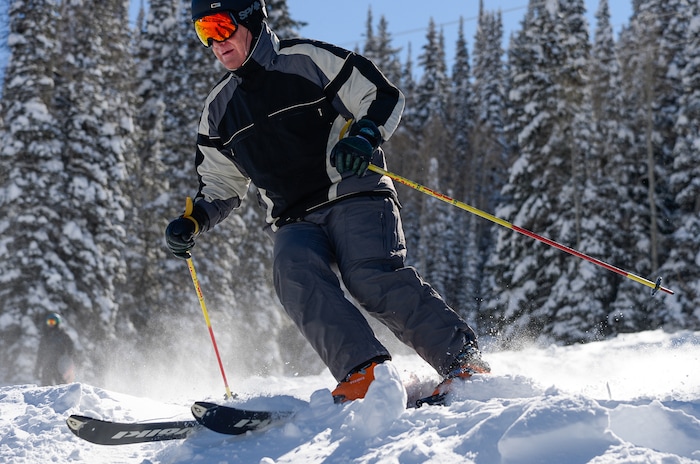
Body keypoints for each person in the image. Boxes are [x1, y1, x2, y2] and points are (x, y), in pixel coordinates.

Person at [165, 0, 490, 403]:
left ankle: (462, 362)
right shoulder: (219, 110)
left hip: (355, 192)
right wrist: (194, 220)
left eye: (220, 26)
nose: (215, 42)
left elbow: (381, 94)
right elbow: (220, 183)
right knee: (293, 270)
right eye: (204, 33)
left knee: (369, 275)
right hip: (295, 219)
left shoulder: (307, 61)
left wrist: (364, 136)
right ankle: (366, 374)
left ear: (249, 18)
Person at [35, 312, 76, 386]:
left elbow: (71, 348)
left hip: (59, 364)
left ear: (57, 322)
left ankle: (64, 397)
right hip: (47, 363)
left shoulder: (63, 335)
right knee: (45, 385)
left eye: (52, 322)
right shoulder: (45, 336)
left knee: (61, 384)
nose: (51, 324)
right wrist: (37, 367)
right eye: (49, 322)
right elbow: (40, 353)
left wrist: (69, 358)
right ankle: (46, 397)